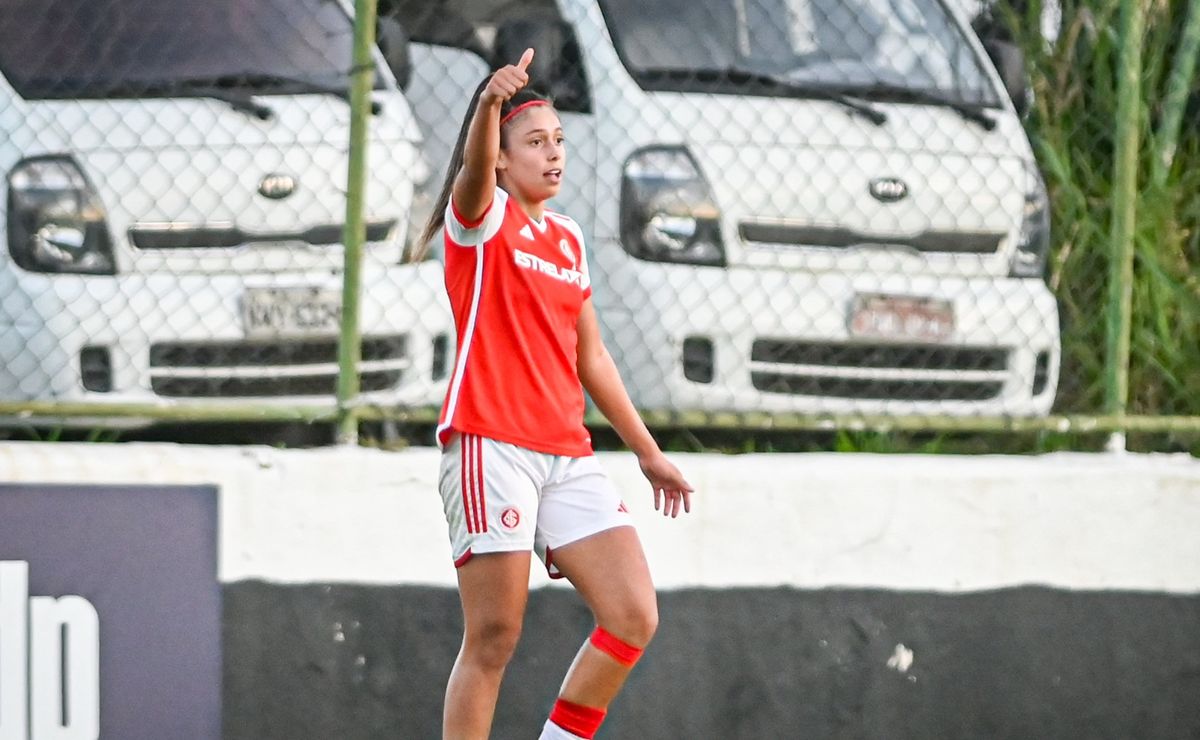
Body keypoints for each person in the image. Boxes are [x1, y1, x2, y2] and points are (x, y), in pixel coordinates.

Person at [416, 48, 694, 740]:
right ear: (503, 159)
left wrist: (649, 454)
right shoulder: (479, 221)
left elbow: (590, 355)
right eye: (534, 142)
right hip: (491, 442)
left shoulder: (567, 240)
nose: (553, 154)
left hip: (565, 453)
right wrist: (486, 106)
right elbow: (474, 175)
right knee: (494, 638)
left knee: (633, 614)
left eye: (559, 141)